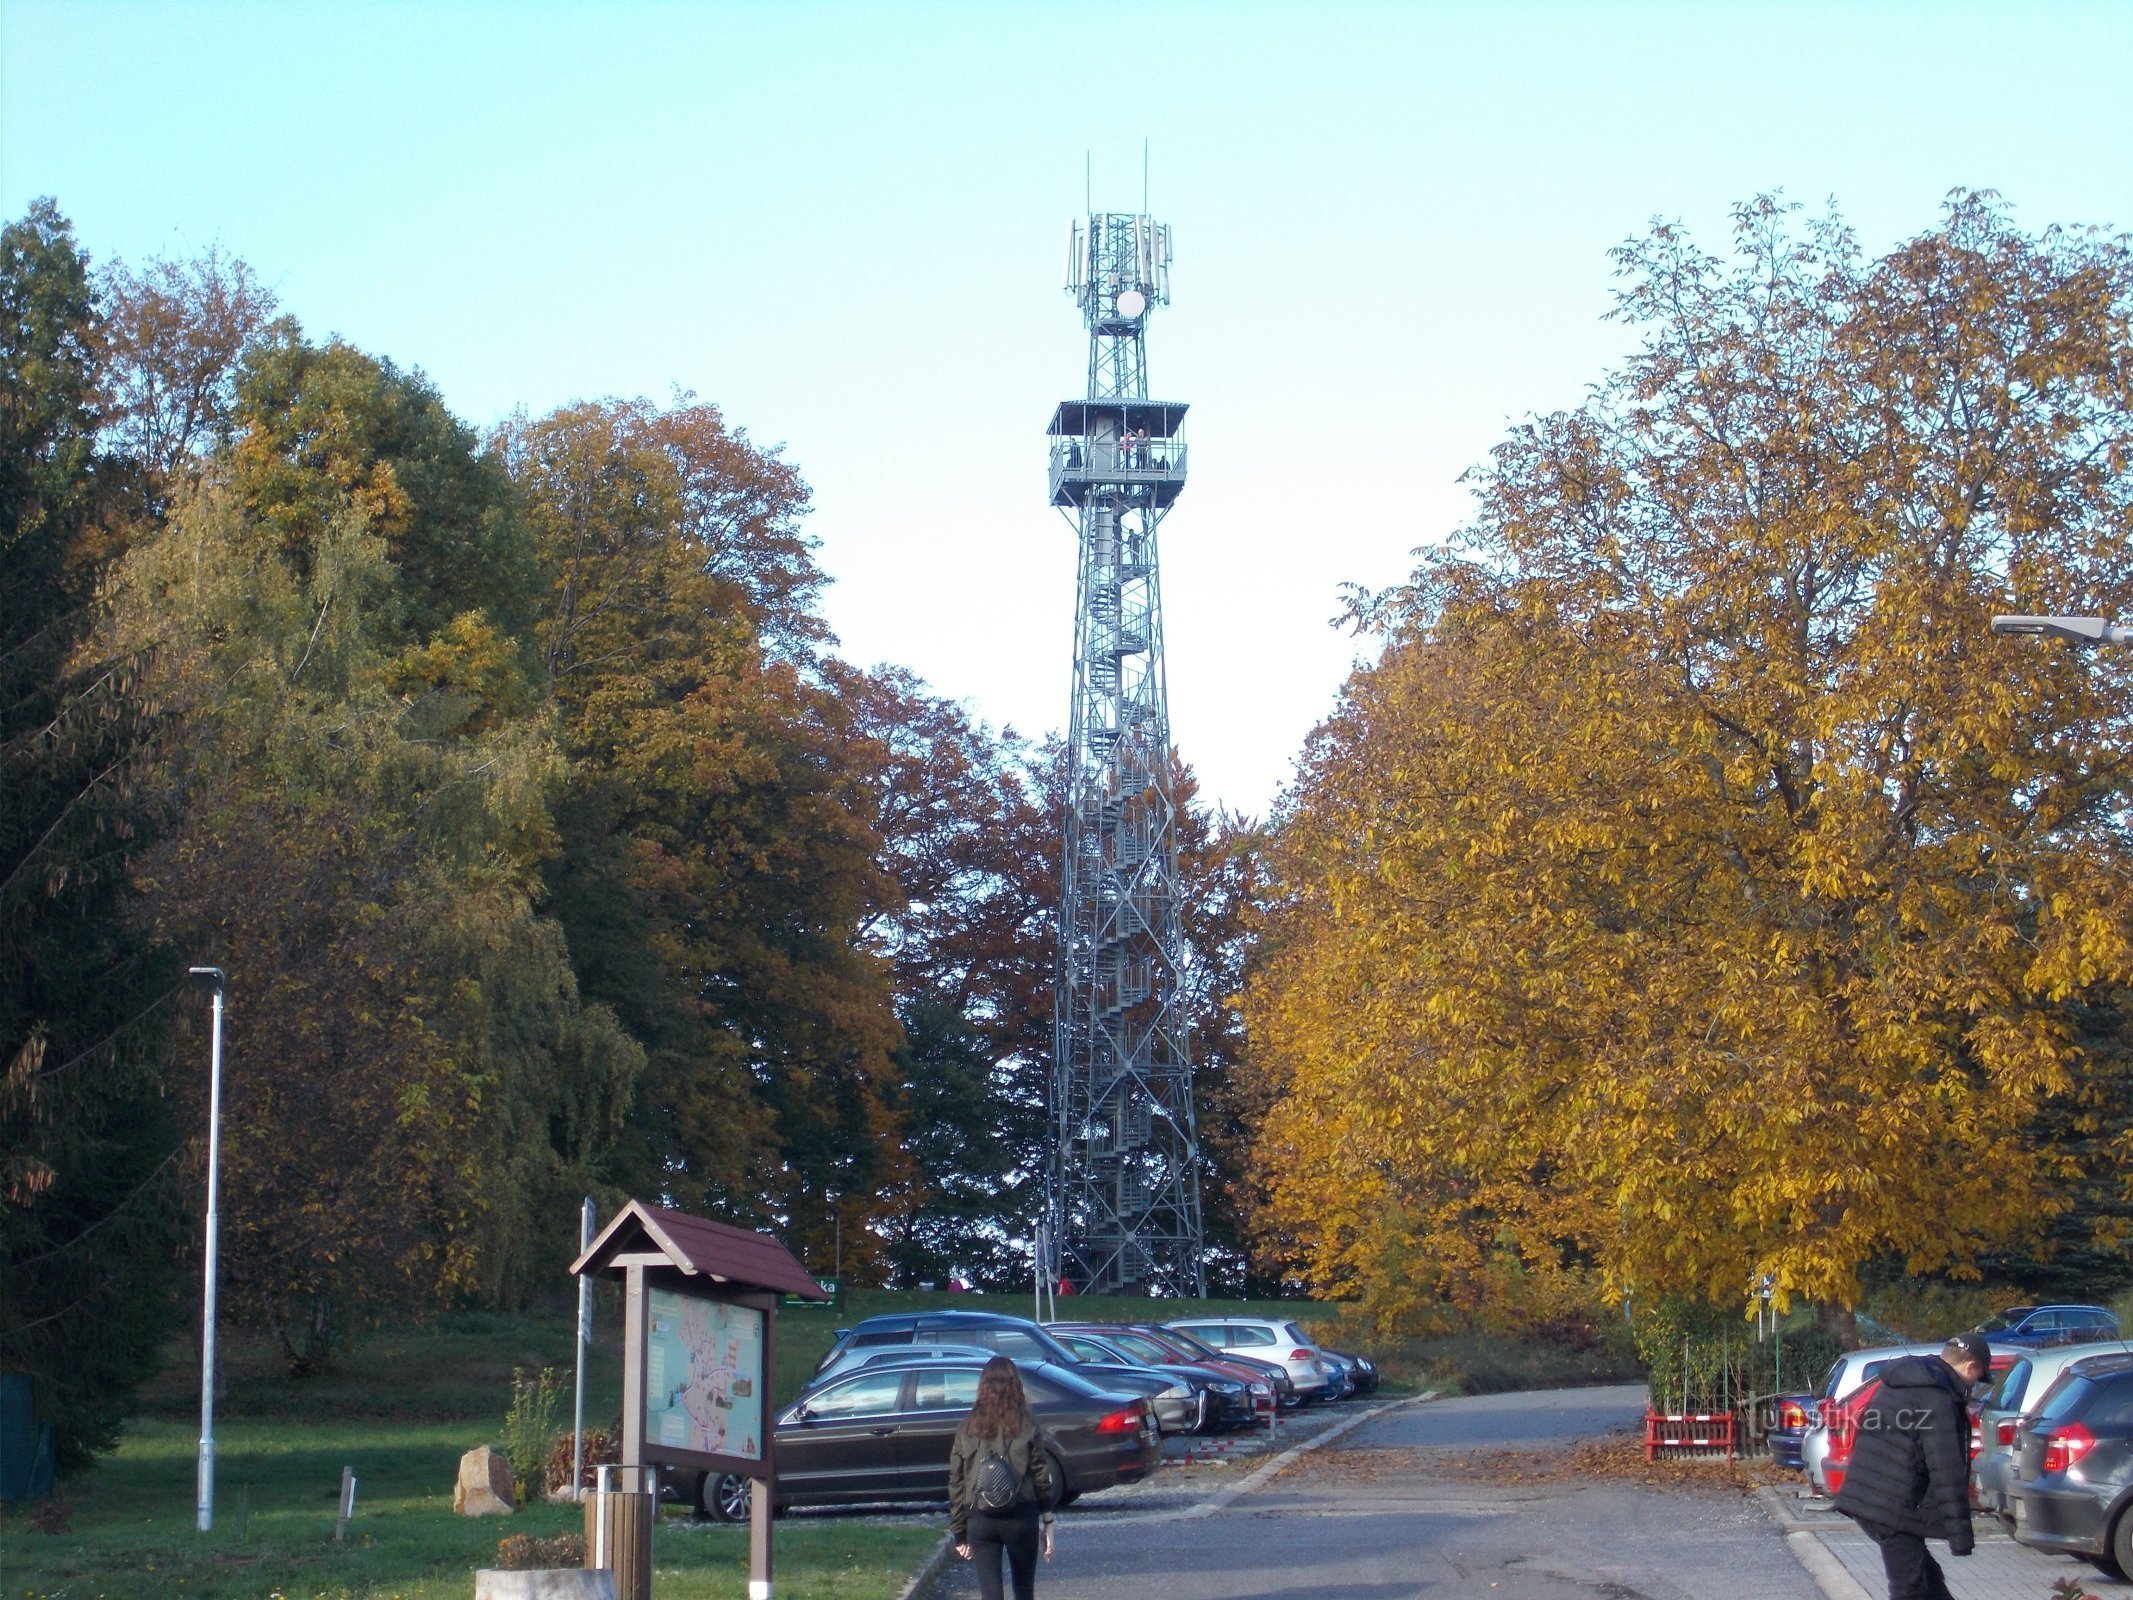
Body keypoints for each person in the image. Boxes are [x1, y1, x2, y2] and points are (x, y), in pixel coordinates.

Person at [1831, 1332, 1990, 1600]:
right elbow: (1946, 1468)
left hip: (1873, 1497)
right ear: (1971, 1367)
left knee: (1930, 1581)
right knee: (1910, 1589)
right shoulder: (1938, 1395)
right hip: (1892, 1506)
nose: (1973, 1386)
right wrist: (1961, 1537)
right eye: (1978, 1377)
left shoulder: (1905, 1381)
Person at [948, 1356, 1059, 1600]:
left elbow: (956, 1482)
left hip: (980, 1520)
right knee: (1023, 1590)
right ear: (1016, 1386)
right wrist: (1048, 1521)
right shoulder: (1026, 1425)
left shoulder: (966, 1427)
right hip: (1021, 1517)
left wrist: (959, 1533)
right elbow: (1041, 1475)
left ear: (983, 1387)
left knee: (990, 1593)